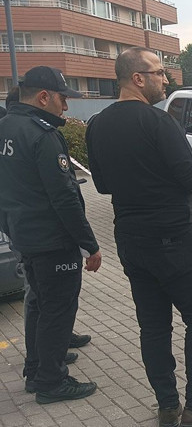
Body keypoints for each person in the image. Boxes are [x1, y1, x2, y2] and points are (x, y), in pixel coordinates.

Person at [85, 47, 192, 427]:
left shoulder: (97, 125)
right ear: (138, 78)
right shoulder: (159, 122)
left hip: (131, 240)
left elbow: (101, 185)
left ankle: (167, 405)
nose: (165, 79)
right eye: (159, 72)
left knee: (153, 326)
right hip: (175, 237)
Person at [0, 66, 102, 404]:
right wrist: (89, 244)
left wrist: (11, 227)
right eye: (62, 98)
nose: (66, 107)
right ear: (44, 96)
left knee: (40, 306)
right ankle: (51, 380)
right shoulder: (42, 134)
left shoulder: (6, 127)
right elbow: (64, 197)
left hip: (25, 237)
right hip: (52, 241)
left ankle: (37, 366)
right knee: (57, 310)